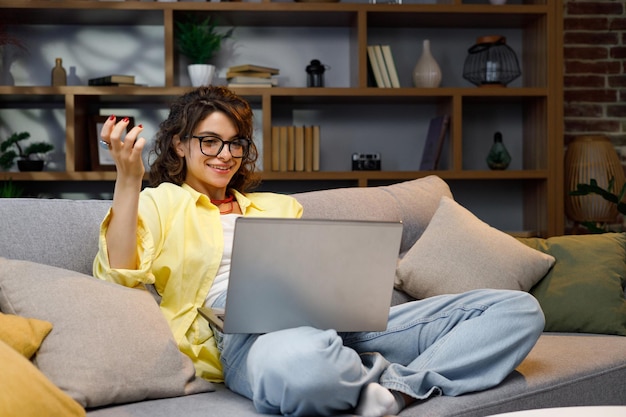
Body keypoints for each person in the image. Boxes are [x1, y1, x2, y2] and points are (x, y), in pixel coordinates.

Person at [93, 85, 545, 416]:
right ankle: (357, 376)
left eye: (235, 143)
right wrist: (129, 179)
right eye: (209, 141)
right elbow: (118, 272)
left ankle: (396, 388)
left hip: (338, 321)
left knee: (518, 311)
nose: (224, 155)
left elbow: (316, 269)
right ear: (180, 144)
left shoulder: (278, 208)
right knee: (302, 371)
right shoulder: (159, 201)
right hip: (252, 336)